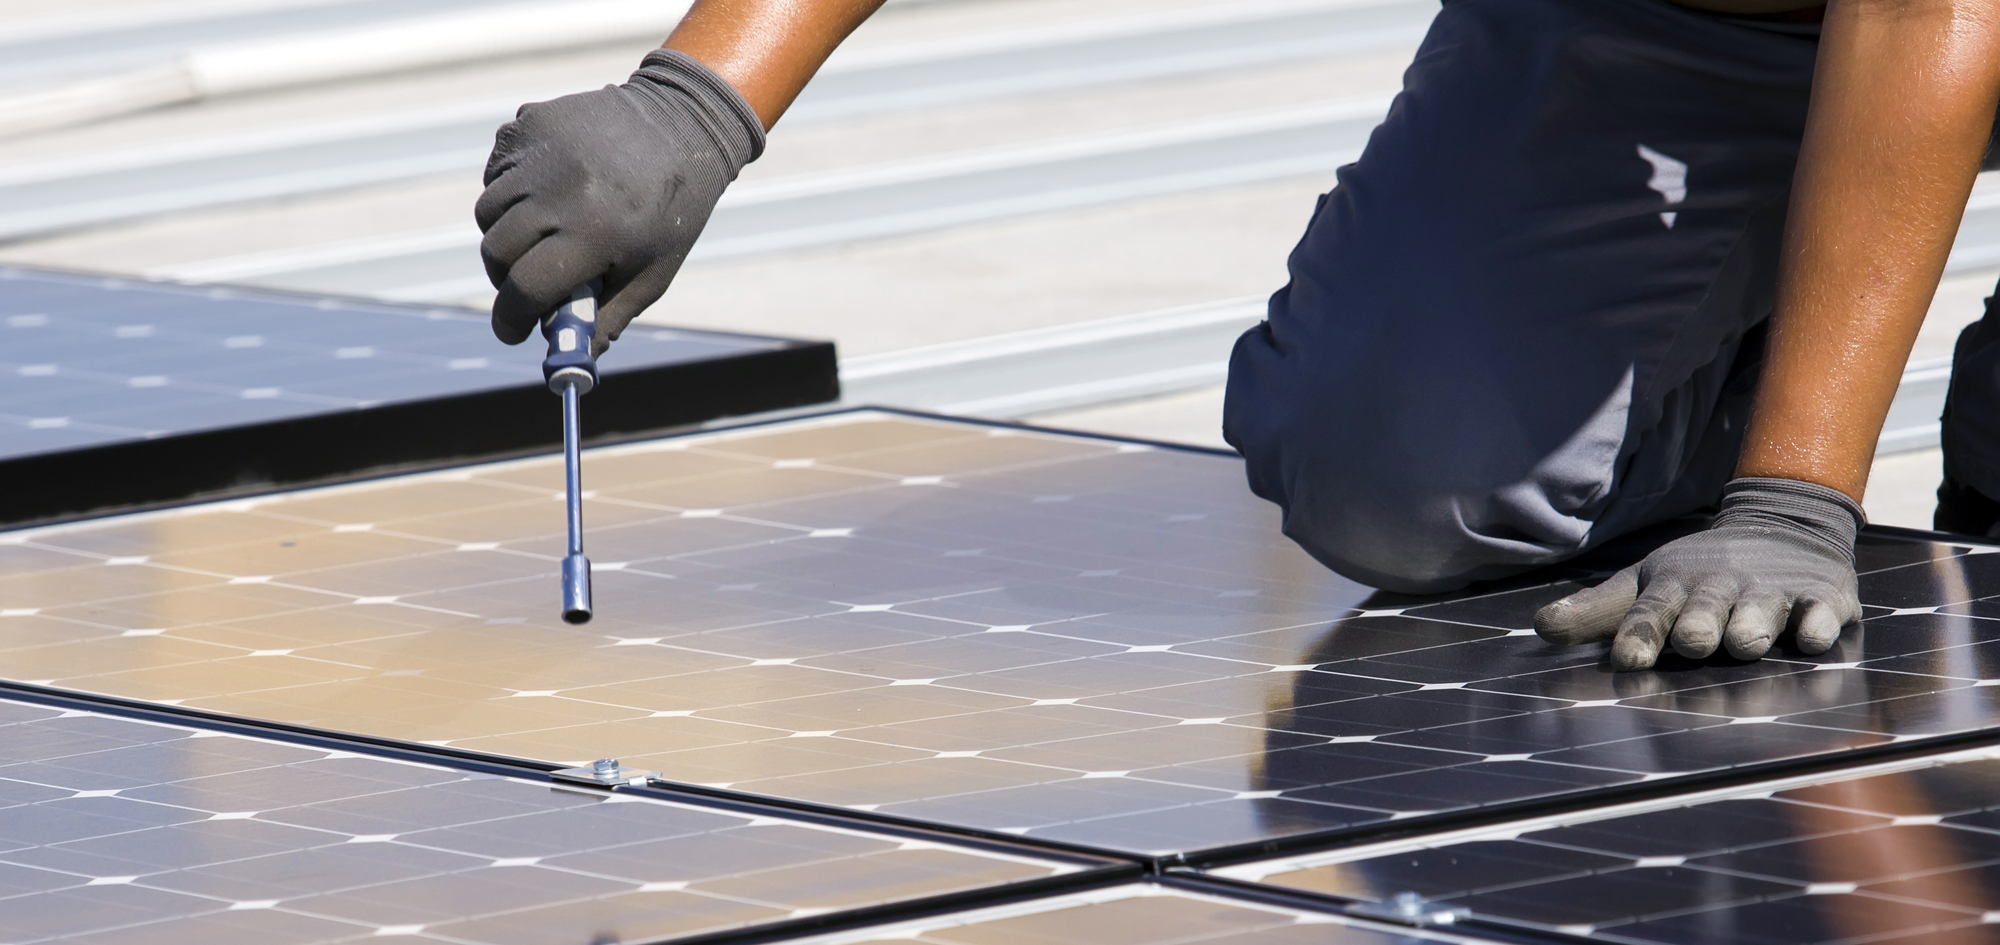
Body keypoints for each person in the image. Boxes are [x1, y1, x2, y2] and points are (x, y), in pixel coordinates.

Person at [476, 0, 2000, 671]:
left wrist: (1798, 494)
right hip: (1686, 26)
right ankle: (1707, 378)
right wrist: (702, 99)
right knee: (1393, 465)